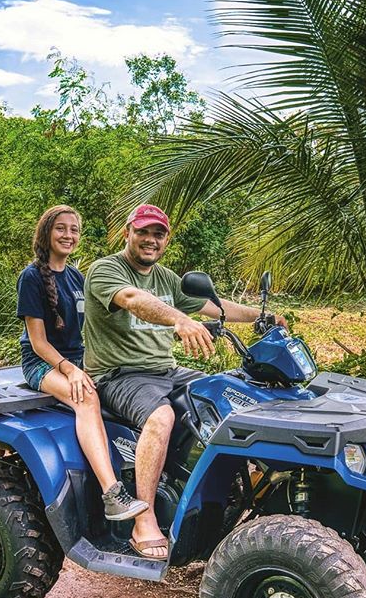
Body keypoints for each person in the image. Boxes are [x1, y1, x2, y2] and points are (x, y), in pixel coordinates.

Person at [83, 204, 287, 559]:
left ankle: (242, 489)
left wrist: (263, 315)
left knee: (231, 393)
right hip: (120, 374)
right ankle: (143, 520)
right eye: (143, 232)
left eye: (158, 234)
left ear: (166, 240)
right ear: (127, 233)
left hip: (166, 370)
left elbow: (214, 306)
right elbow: (132, 299)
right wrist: (179, 320)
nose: (150, 240)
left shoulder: (166, 278)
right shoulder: (106, 270)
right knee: (161, 418)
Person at [16, 204, 148, 521]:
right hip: (42, 363)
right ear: (46, 232)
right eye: (61, 228)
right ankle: (112, 494)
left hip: (79, 358)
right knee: (86, 398)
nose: (68, 235)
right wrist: (71, 370)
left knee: (129, 388)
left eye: (74, 229)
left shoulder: (76, 276)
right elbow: (38, 342)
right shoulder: (31, 277)